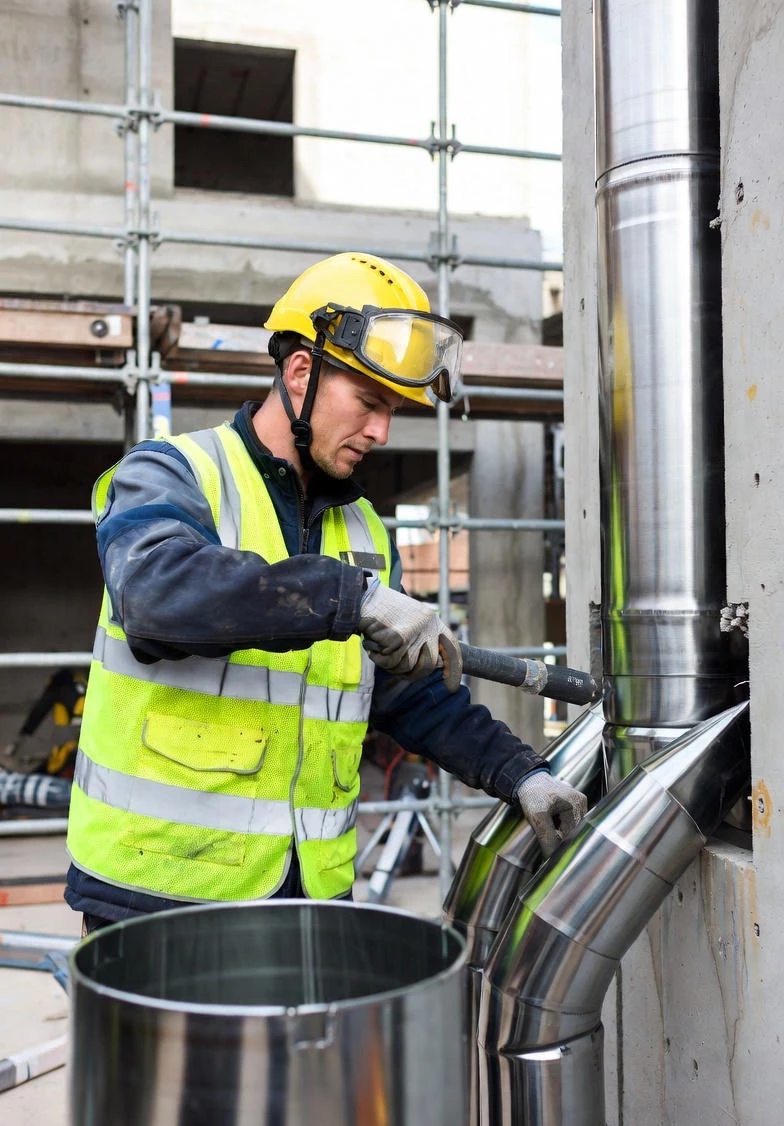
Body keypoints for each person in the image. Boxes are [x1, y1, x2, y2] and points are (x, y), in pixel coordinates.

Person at [64, 251, 587, 932]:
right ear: (301, 371)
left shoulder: (363, 526)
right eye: (369, 403)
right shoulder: (173, 473)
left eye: (393, 409)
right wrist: (354, 598)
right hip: (160, 897)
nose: (381, 431)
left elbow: (404, 690)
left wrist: (519, 773)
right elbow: (156, 596)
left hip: (306, 897)